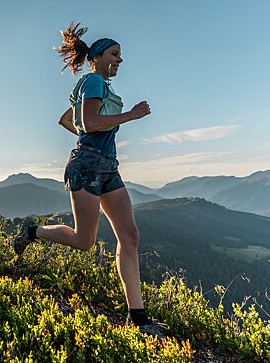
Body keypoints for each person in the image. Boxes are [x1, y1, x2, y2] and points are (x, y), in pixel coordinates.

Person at [13, 22, 163, 337]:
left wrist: (86, 131)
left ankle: (137, 317)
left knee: (130, 237)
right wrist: (130, 115)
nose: (120, 60)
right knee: (85, 241)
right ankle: (32, 231)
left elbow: (69, 120)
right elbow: (90, 121)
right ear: (97, 56)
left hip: (107, 165)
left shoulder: (94, 85)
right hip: (87, 166)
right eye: (115, 54)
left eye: (121, 55)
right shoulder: (94, 80)